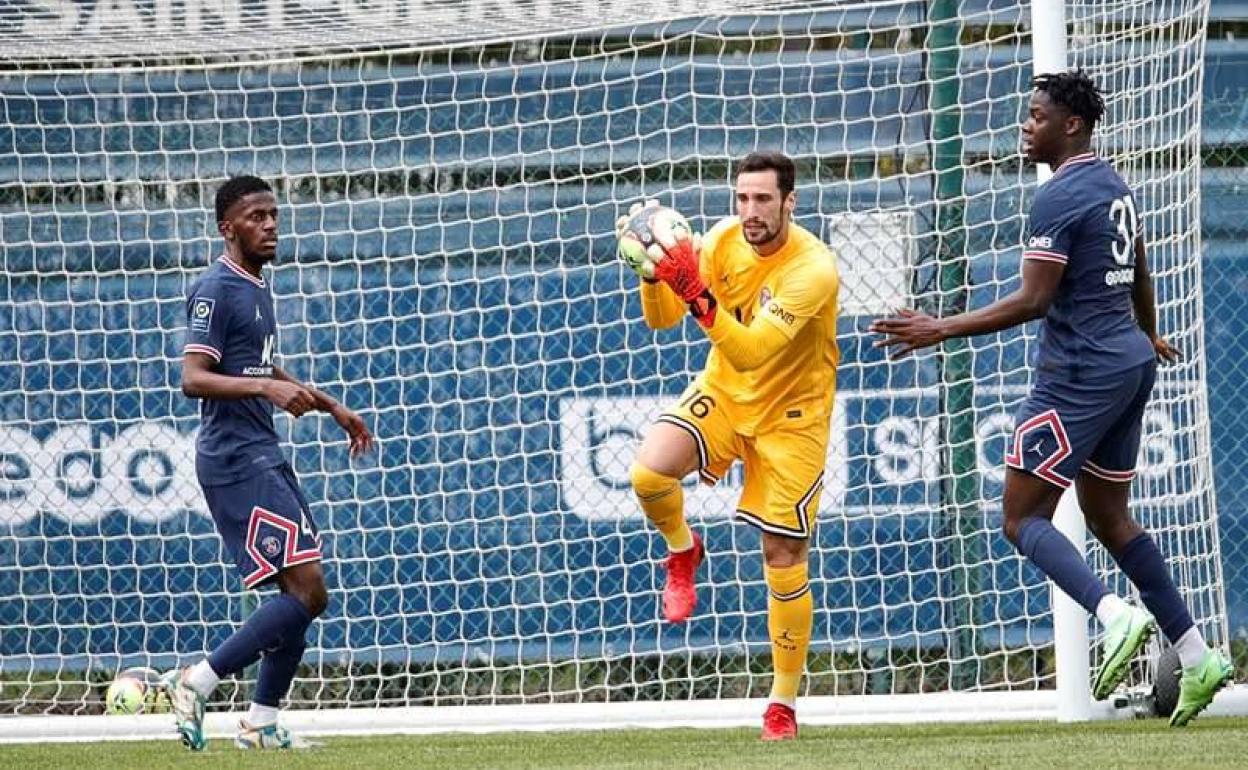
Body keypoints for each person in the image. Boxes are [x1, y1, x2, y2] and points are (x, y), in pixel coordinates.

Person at [870, 70, 1232, 726]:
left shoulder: (1059, 197)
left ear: (1072, 125)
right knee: (1110, 519)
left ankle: (1115, 615)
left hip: (1080, 373)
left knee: (1020, 517)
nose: (1024, 126)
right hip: (1128, 361)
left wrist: (939, 326)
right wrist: (1148, 335)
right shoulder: (1114, 184)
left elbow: (1035, 300)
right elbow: (1140, 271)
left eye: (1036, 116)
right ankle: (1199, 655)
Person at [616, 151, 840, 741]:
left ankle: (781, 705)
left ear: (790, 202)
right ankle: (682, 550)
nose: (750, 212)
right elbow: (662, 321)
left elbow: (751, 349)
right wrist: (653, 271)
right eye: (742, 199)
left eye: (763, 199)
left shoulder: (813, 269)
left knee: (783, 556)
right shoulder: (720, 239)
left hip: (793, 418)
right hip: (725, 394)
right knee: (648, 475)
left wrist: (696, 295)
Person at [165, 175, 373, 750]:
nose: (270, 225)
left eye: (274, 215)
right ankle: (197, 680)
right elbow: (193, 378)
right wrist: (264, 392)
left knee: (300, 597)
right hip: (235, 459)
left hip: (259, 452)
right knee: (308, 593)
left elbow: (263, 368)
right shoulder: (217, 288)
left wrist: (329, 404)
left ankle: (260, 723)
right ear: (227, 227)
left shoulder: (256, 285)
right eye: (256, 217)